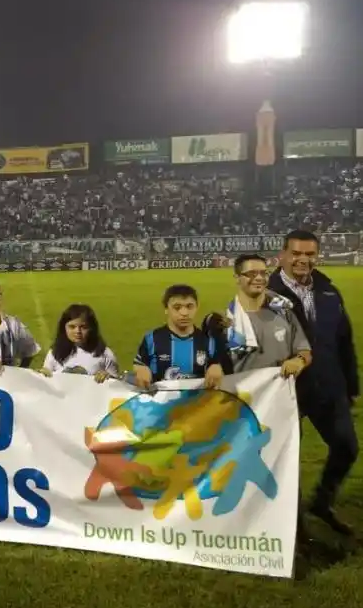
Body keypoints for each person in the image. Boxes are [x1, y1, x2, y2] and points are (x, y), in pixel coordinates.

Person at [208, 253, 313, 545]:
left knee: (287, 468)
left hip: (282, 410)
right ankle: (241, 533)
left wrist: (299, 362)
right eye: (250, 273)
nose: (258, 278)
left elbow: (305, 352)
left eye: (263, 273)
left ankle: (295, 533)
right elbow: (207, 365)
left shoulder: (284, 314)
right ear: (237, 278)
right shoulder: (223, 324)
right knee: (240, 471)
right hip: (242, 415)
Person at [268, 230, 359, 535]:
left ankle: (322, 501)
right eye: (296, 253)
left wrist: (351, 385)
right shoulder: (265, 292)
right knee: (285, 459)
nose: (302, 260)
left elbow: (344, 340)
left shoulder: (328, 290)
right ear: (282, 255)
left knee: (346, 447)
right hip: (286, 390)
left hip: (328, 385)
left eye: (309, 254)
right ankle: (294, 526)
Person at [132, 284, 230, 389]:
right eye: (177, 307)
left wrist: (216, 367)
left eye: (189, 306)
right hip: (161, 403)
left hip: (198, 402)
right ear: (166, 309)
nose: (184, 313)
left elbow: (219, 367)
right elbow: (139, 364)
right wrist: (141, 370)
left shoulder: (208, 341)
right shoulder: (152, 339)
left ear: (197, 307)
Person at [40, 304, 119, 382]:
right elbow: (47, 381)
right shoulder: (55, 352)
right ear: (64, 328)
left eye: (83, 327)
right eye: (72, 327)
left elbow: (117, 386)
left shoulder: (105, 354)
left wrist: (108, 377)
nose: (77, 331)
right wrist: (42, 375)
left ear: (92, 328)